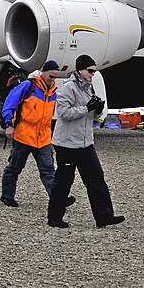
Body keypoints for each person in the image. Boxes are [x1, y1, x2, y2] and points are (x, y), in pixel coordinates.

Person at [46, 54, 124, 229]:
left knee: (96, 179)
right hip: (66, 144)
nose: (92, 74)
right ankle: (54, 218)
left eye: (94, 71)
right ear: (80, 70)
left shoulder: (89, 88)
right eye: (90, 71)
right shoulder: (68, 88)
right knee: (64, 181)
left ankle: (104, 216)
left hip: (85, 143)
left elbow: (92, 116)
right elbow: (63, 113)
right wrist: (86, 108)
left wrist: (97, 110)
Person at [0, 60, 76, 209]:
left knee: (48, 170)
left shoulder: (53, 92)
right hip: (24, 135)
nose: (52, 79)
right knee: (14, 167)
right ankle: (7, 196)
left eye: (55, 77)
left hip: (43, 137)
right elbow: (10, 104)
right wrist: (9, 125)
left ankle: (58, 199)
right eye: (51, 76)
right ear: (43, 72)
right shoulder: (29, 85)